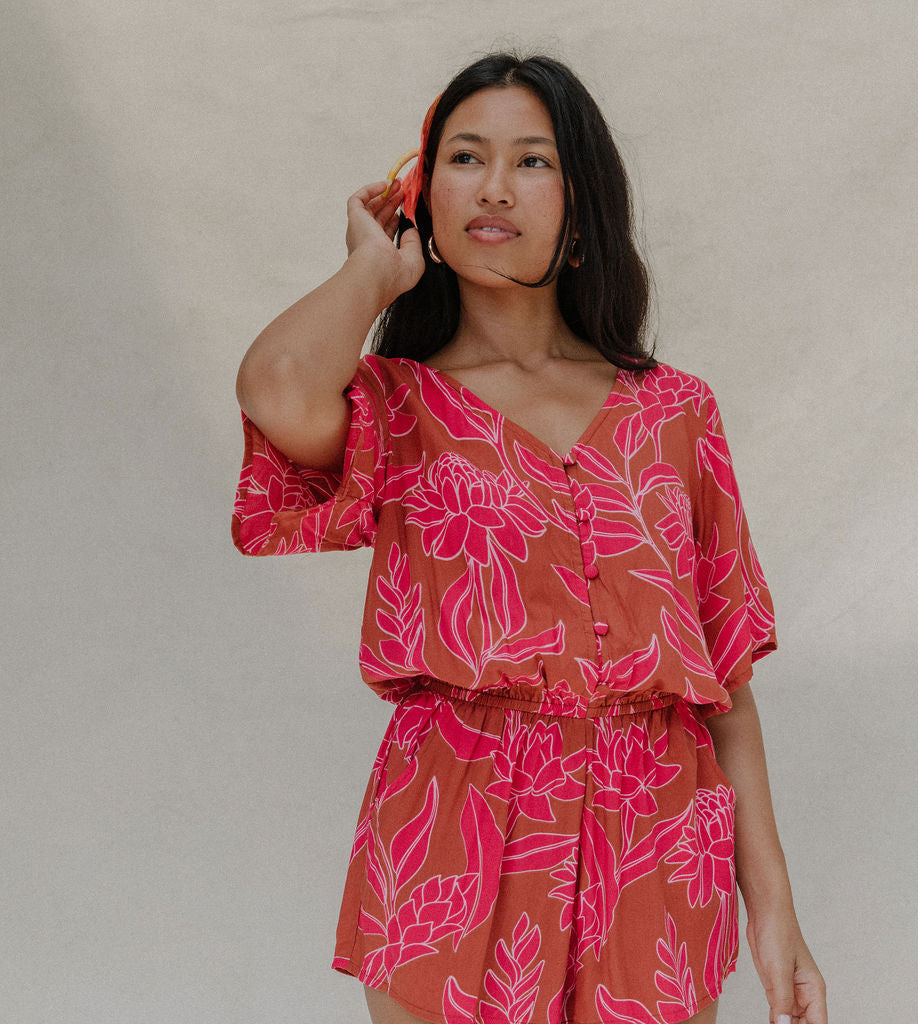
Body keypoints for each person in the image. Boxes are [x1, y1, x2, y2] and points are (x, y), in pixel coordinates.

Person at [232, 51, 827, 1024]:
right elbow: (275, 388)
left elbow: (726, 686)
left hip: (655, 845)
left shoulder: (675, 414)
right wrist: (371, 268)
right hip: (452, 834)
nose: (496, 185)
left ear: (583, 201)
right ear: (426, 191)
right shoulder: (397, 404)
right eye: (464, 156)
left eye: (532, 160)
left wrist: (774, 914)